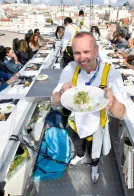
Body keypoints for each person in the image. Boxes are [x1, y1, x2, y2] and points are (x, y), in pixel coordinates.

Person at [51, 32, 126, 183]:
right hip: (74, 121)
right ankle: (79, 155)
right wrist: (61, 92)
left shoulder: (111, 73)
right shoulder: (70, 69)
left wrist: (112, 102)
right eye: (77, 53)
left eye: (86, 51)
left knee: (94, 151)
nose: (81, 58)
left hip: (98, 124)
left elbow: (122, 114)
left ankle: (94, 165)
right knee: (77, 144)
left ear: (97, 50)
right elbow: (54, 102)